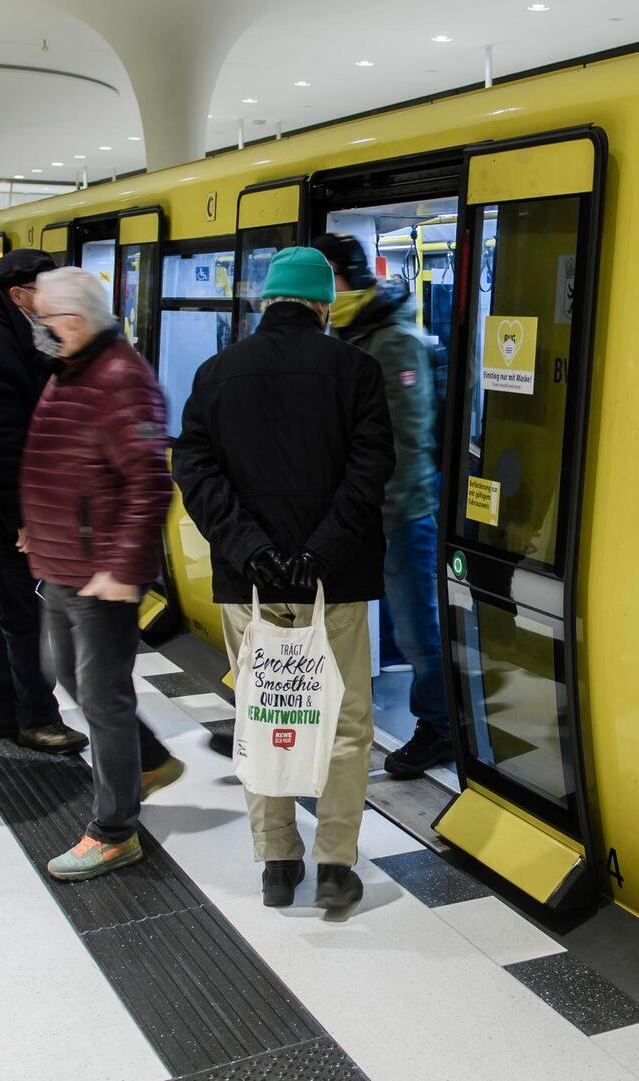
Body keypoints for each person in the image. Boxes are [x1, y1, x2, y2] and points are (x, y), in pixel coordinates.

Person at [174, 247, 394, 911]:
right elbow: (369, 472)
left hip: (251, 588)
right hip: (339, 583)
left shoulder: (216, 374)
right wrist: (319, 554)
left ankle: (276, 861)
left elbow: (195, 474)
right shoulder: (356, 371)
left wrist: (254, 552)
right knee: (347, 724)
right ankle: (334, 864)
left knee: (264, 713)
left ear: (266, 301)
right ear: (323, 305)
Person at [18, 266, 180, 881]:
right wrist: (39, 522)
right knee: (70, 678)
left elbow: (147, 480)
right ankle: (148, 761)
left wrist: (121, 565)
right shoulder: (74, 370)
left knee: (103, 700)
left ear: (75, 322)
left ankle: (114, 831)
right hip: (63, 559)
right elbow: (63, 458)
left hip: (98, 570)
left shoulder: (119, 379)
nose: (41, 330)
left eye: (47, 320)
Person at [313, 233, 452, 777]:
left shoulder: (393, 341)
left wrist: (362, 508)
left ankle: (439, 726)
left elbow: (405, 440)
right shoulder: (344, 331)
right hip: (354, 512)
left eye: (328, 279)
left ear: (349, 275)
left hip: (400, 510)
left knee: (419, 628)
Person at [0, 249, 87, 754]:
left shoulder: (22, 333)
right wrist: (21, 519)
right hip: (8, 512)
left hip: (19, 506)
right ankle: (37, 718)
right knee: (28, 615)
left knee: (7, 610)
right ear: (19, 295)